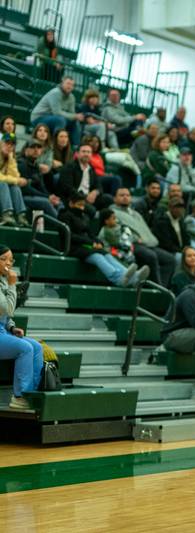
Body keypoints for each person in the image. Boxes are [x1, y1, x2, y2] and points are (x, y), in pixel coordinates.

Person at [58, 191, 148, 288]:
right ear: (71, 203)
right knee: (97, 256)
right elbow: (70, 236)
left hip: (86, 246)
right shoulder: (64, 216)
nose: (81, 208)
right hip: (72, 247)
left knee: (106, 254)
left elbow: (90, 233)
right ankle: (118, 279)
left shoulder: (83, 216)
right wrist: (90, 242)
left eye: (83, 205)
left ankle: (132, 277)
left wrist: (97, 241)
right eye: (79, 205)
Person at [0, 246, 44, 409]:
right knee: (25, 348)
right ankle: (20, 397)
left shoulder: (3, 279)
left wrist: (11, 327)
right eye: (4, 259)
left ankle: (32, 394)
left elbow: (4, 315)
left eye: (11, 259)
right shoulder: (6, 281)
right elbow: (7, 309)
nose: (8, 263)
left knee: (37, 347)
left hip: (3, 331)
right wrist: (13, 286)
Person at [111, 187, 175, 286]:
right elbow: (117, 231)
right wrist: (135, 239)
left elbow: (146, 231)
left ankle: (163, 287)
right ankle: (155, 288)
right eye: (121, 195)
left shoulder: (135, 213)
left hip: (147, 244)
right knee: (150, 256)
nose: (125, 197)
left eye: (127, 195)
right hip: (131, 244)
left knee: (170, 259)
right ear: (114, 198)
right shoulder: (112, 213)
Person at [57, 141, 112, 216]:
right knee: (91, 210)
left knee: (108, 199)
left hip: (88, 198)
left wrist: (95, 192)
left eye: (88, 152)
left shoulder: (91, 168)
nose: (86, 154)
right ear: (77, 154)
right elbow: (67, 188)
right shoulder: (69, 167)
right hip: (73, 199)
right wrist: (85, 198)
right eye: (83, 151)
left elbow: (99, 186)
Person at [30, 76, 84, 148]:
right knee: (60, 119)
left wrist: (76, 117)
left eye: (72, 85)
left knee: (74, 122)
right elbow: (57, 112)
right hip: (39, 118)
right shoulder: (55, 93)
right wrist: (75, 116)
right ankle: (56, 146)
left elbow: (72, 114)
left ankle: (75, 147)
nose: (70, 86)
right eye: (68, 84)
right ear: (62, 83)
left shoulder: (72, 97)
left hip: (54, 118)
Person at [17, 139, 61, 218]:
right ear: (26, 150)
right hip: (22, 196)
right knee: (46, 202)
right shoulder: (21, 164)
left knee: (59, 202)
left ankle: (67, 224)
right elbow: (26, 189)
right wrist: (47, 197)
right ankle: (63, 225)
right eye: (33, 147)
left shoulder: (36, 166)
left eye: (39, 147)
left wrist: (50, 196)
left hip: (34, 196)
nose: (36, 150)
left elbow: (41, 187)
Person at [0, 133, 30, 227]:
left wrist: (10, 159)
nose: (9, 146)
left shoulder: (9, 157)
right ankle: (7, 214)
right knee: (3, 184)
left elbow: (15, 176)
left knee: (14, 187)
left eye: (12, 144)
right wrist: (16, 180)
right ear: (1, 143)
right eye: (7, 143)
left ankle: (21, 216)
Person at [152, 196, 191, 262]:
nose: (179, 209)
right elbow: (166, 244)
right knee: (183, 258)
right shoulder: (162, 221)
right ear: (170, 208)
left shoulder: (181, 220)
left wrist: (187, 249)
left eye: (181, 207)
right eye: (176, 207)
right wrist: (182, 251)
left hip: (180, 250)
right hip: (168, 251)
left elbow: (186, 238)